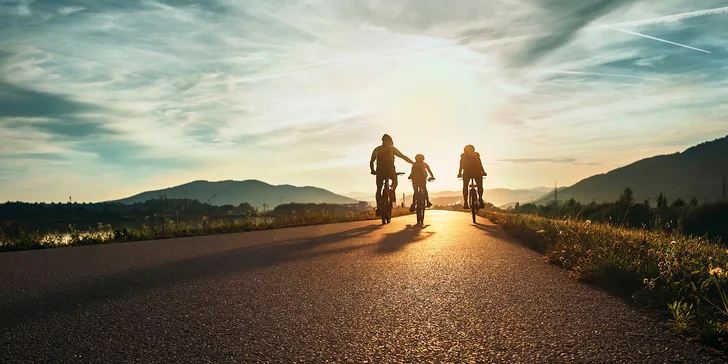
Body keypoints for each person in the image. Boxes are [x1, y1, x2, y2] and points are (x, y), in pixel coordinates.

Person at [370, 134, 414, 216]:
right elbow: (403, 156)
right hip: (390, 171)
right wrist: (413, 163)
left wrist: (372, 170)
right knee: (395, 180)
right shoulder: (392, 149)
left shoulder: (376, 149)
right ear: (390, 141)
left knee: (379, 189)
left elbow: (372, 161)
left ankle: (379, 207)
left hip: (380, 171)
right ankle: (392, 192)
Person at [457, 144, 487, 209]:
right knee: (480, 186)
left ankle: (465, 203)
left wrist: (459, 174)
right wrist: (483, 172)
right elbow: (480, 165)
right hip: (477, 172)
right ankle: (480, 199)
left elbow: (461, 166)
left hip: (467, 173)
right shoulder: (476, 156)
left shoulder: (463, 156)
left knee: (465, 186)